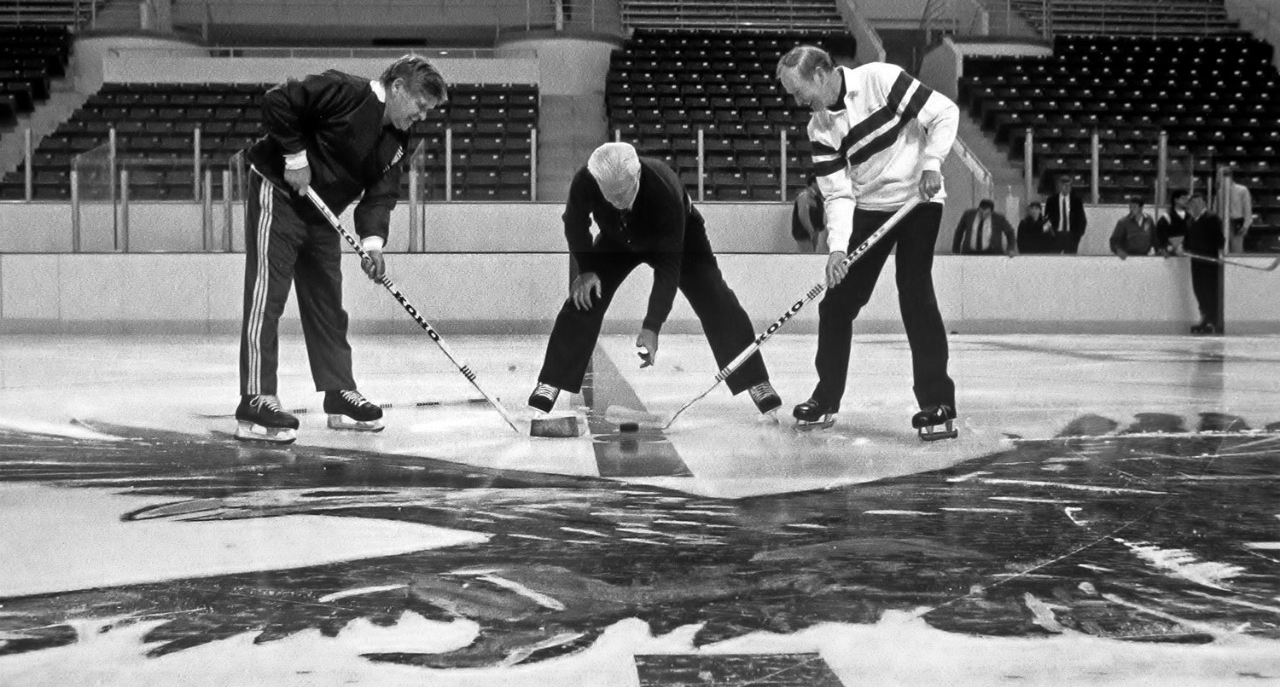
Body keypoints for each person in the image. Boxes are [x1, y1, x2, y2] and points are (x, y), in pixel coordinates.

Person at [236, 55, 448, 443]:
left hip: (322, 211)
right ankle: (256, 397)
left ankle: (338, 392)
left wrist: (372, 244)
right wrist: (295, 157)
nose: (422, 116)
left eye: (428, 111)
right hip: (279, 193)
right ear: (398, 87)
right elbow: (278, 100)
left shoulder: (400, 141)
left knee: (328, 305)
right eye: (420, 106)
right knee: (268, 296)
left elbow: (380, 196)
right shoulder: (344, 90)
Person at [776, 45, 958, 441]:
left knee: (914, 290)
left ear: (821, 75)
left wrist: (932, 163)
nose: (797, 100)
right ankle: (825, 399)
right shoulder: (819, 127)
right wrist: (838, 248)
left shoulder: (881, 79)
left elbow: (945, 112)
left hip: (918, 199)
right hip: (871, 207)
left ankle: (937, 403)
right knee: (836, 303)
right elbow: (838, 194)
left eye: (798, 90)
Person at [527, 142, 781, 418]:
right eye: (608, 195)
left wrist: (652, 326)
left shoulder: (664, 192)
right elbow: (573, 223)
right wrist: (586, 269)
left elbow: (668, 269)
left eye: (622, 194)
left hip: (679, 237)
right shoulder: (586, 180)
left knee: (716, 298)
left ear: (636, 177)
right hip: (617, 239)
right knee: (585, 297)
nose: (615, 202)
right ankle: (551, 380)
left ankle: (754, 379)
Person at [1182, 192, 1224, 334]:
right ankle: (1204, 317)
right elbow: (1187, 242)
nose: (1195, 205)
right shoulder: (1190, 221)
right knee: (1199, 290)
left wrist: (1219, 253)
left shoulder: (1212, 218)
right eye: (1193, 203)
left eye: (1198, 203)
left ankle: (1212, 320)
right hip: (1196, 260)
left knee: (1210, 291)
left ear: (1204, 203)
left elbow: (1219, 239)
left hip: (1209, 261)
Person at [952, 198, 1016, 256]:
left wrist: (1010, 249)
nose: (983, 216)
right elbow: (959, 232)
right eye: (981, 213)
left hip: (992, 253)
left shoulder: (998, 218)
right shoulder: (968, 215)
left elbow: (1010, 232)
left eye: (986, 214)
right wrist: (956, 250)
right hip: (970, 252)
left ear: (991, 212)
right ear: (978, 209)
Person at [1045, 174, 1087, 254]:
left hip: (1071, 236)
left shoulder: (1076, 200)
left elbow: (1082, 219)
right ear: (1060, 186)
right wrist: (1050, 234)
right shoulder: (1051, 200)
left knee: (1070, 261)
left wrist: (1078, 235)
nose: (1067, 188)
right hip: (1056, 235)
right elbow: (1047, 219)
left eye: (1069, 186)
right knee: (1054, 260)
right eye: (1064, 185)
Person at [1222, 168, 1253, 254]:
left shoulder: (1242, 190)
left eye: (1226, 176)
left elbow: (1247, 208)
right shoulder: (1220, 191)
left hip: (1236, 221)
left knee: (1237, 251)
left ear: (1231, 176)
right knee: (1223, 250)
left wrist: (1246, 225)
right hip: (1223, 222)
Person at [791, 177, 826, 252]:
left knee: (810, 254)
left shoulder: (817, 197)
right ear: (813, 183)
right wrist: (811, 231)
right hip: (805, 234)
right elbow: (803, 215)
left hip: (813, 232)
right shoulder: (804, 196)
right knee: (807, 256)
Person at [1154, 189, 1190, 256]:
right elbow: (1160, 236)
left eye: (1187, 198)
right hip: (1170, 255)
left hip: (1187, 254)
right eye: (1183, 198)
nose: (1186, 201)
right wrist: (1168, 247)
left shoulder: (1190, 217)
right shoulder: (1166, 218)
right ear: (1176, 200)